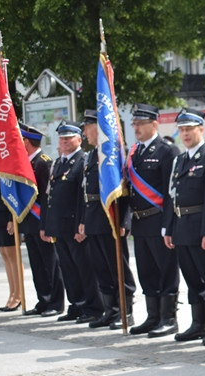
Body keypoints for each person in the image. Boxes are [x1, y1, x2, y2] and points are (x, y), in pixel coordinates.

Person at [163, 108, 205, 345]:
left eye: (190, 128)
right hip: (182, 227)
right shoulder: (180, 160)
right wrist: (168, 228)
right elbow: (172, 196)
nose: (186, 133)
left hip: (201, 227)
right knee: (192, 279)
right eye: (182, 129)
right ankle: (199, 323)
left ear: (201, 129)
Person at [124, 103, 181, 336]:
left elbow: (170, 193)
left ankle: (169, 318)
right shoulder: (134, 152)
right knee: (146, 270)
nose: (136, 128)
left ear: (154, 124)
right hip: (140, 221)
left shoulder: (167, 151)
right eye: (134, 124)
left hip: (158, 220)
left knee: (166, 270)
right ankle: (153, 315)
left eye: (140, 123)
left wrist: (168, 225)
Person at [78, 110, 137, 328]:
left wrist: (124, 221)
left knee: (117, 265)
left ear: (99, 128)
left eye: (88, 127)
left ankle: (126, 310)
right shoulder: (92, 155)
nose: (84, 132)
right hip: (93, 216)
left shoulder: (113, 154)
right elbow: (84, 191)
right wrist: (83, 219)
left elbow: (124, 191)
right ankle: (110, 310)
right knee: (100, 266)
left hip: (111, 218)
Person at [41, 120, 103, 323]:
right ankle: (76, 304)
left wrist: (81, 224)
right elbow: (49, 197)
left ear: (79, 139)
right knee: (67, 268)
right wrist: (45, 225)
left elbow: (82, 197)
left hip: (75, 226)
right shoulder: (58, 162)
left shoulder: (82, 161)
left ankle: (92, 307)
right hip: (59, 225)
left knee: (84, 269)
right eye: (62, 138)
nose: (65, 141)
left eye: (69, 138)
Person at [19, 123, 64, 317]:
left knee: (50, 263)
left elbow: (47, 198)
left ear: (26, 142)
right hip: (30, 222)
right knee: (37, 264)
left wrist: (46, 225)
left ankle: (55, 302)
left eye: (19, 140)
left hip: (41, 221)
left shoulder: (43, 162)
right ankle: (43, 299)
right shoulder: (25, 164)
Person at [0, 155, 21, 311]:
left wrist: (11, 218)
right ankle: (12, 292)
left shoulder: (9, 162)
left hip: (7, 214)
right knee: (5, 256)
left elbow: (12, 192)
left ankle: (18, 294)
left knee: (13, 256)